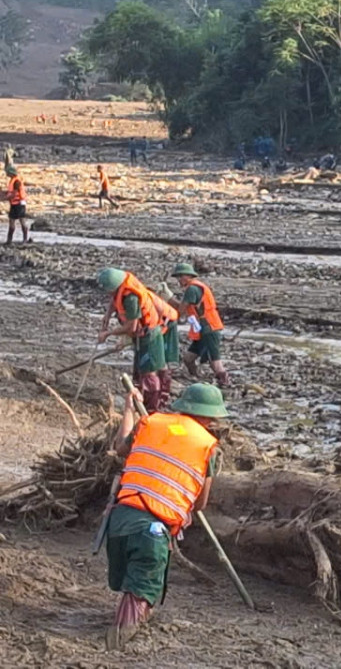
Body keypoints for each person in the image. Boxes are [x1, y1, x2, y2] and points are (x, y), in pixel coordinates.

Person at [103, 383, 226, 649]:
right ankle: (119, 641)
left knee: (127, 579)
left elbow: (120, 448)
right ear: (209, 417)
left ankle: (126, 625)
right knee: (143, 585)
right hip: (153, 531)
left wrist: (128, 410)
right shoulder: (208, 447)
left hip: (119, 520)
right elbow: (200, 502)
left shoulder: (150, 422)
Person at [97, 268, 179, 412]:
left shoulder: (131, 298)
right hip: (143, 335)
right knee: (145, 368)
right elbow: (114, 299)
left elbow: (131, 327)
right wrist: (107, 315)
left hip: (150, 335)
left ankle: (152, 407)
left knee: (149, 372)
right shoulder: (121, 288)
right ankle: (155, 399)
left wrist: (108, 334)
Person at [171, 263, 230, 388]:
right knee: (188, 358)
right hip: (202, 329)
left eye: (180, 276)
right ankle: (197, 378)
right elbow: (184, 308)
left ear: (188, 276)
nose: (179, 280)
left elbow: (181, 310)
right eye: (178, 277)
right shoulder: (193, 288)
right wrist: (169, 298)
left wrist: (168, 301)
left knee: (215, 362)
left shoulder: (192, 289)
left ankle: (224, 383)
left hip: (209, 328)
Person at [3, 166, 29, 245]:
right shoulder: (12, 181)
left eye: (8, 173)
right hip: (14, 204)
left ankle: (25, 239)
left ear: (11, 173)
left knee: (22, 221)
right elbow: (11, 192)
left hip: (19, 204)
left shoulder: (17, 182)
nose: (7, 174)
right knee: (12, 221)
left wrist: (4, 197)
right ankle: (9, 240)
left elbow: (14, 194)